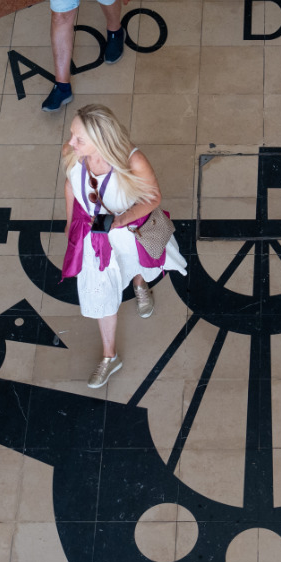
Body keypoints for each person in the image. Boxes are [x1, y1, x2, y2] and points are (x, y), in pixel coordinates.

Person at [60, 104, 187, 388]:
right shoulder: (73, 153)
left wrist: (122, 219)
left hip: (127, 231)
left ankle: (140, 285)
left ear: (101, 140)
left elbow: (153, 198)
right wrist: (70, 222)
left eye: (79, 138)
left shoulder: (132, 161)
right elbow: (70, 184)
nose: (70, 143)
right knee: (102, 294)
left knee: (134, 263)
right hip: (94, 238)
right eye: (72, 134)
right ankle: (109, 356)